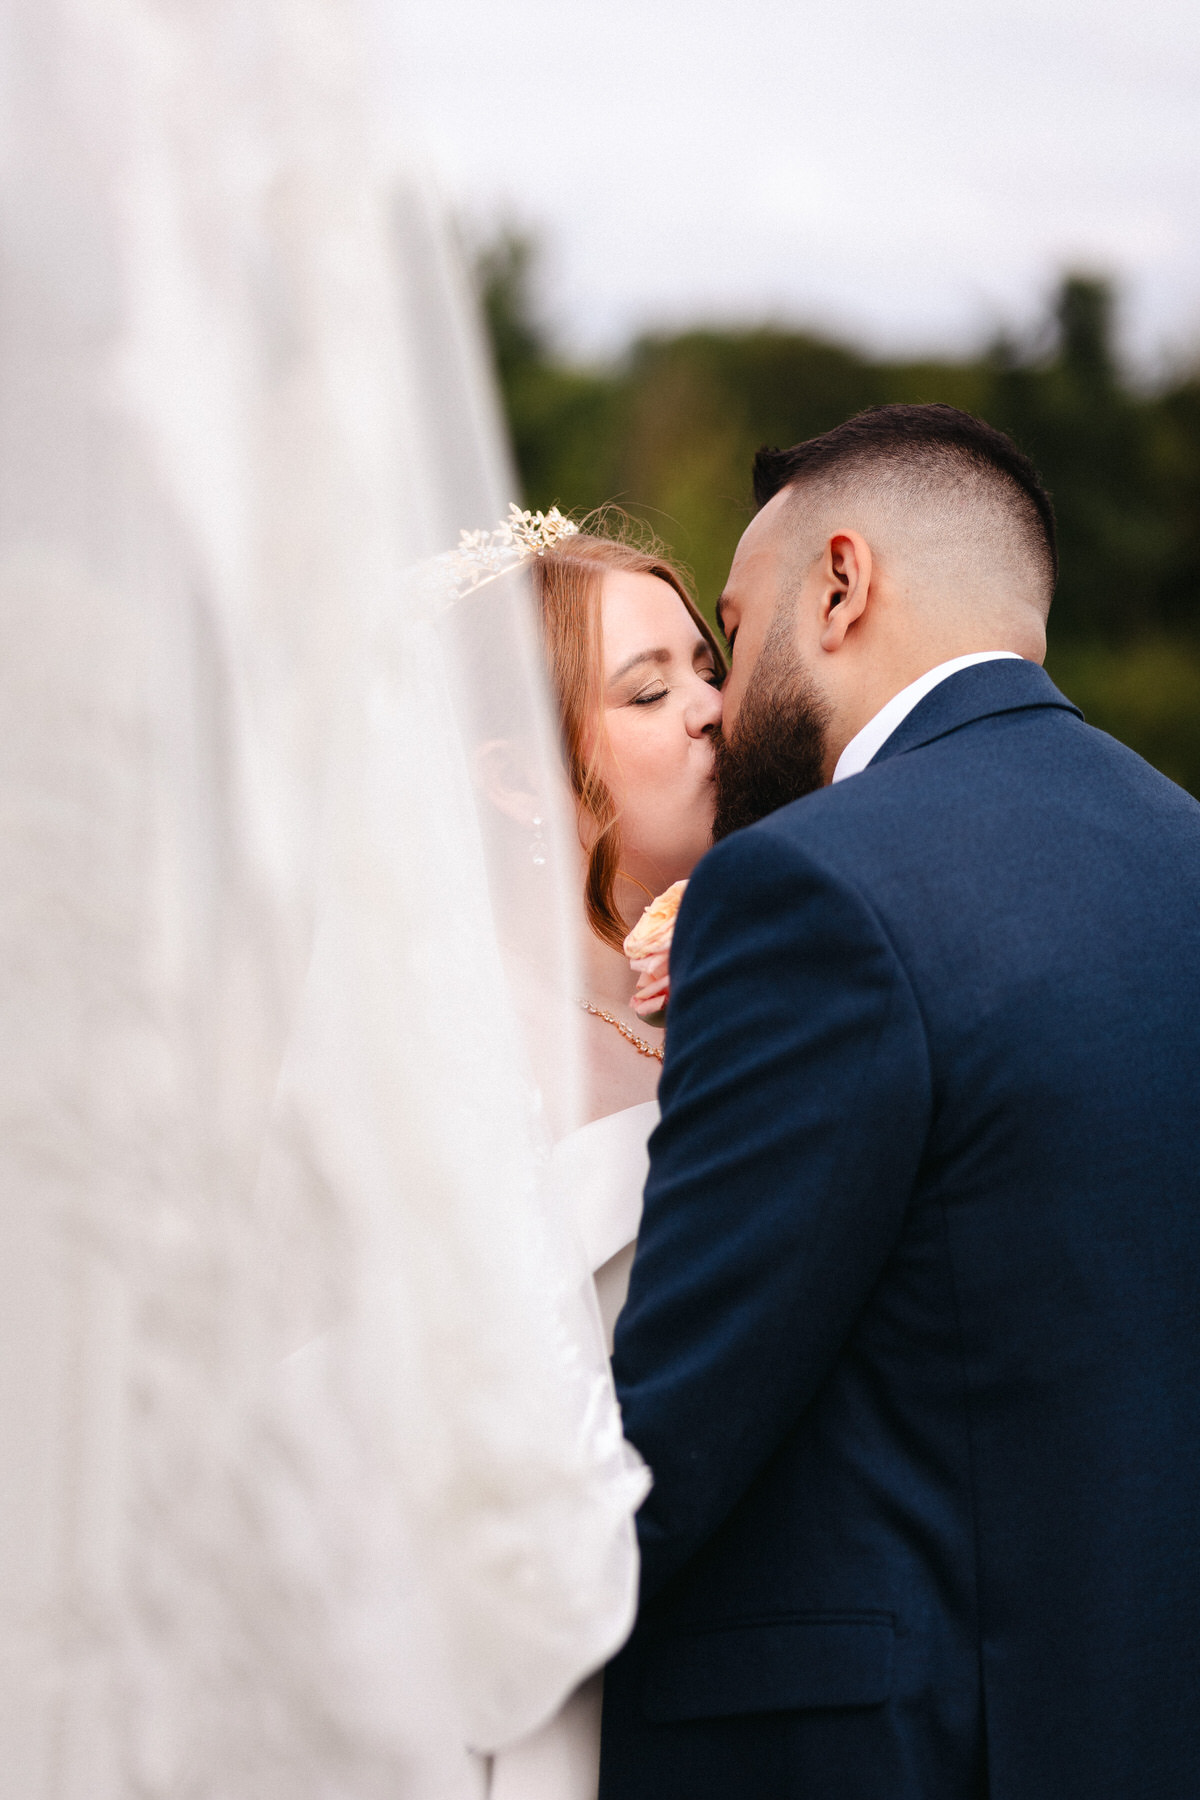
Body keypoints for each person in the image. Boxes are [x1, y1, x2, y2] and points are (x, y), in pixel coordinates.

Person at [600, 403, 1200, 1798]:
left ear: (843, 584)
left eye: (733, 637)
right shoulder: (1183, 848)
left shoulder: (809, 884)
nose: (721, 705)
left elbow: (671, 1439)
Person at [484, 525, 724, 1799]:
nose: (711, 710)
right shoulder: (459, 1044)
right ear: (522, 779)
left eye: (706, 665)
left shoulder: (727, 999)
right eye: (648, 688)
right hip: (537, 1673)